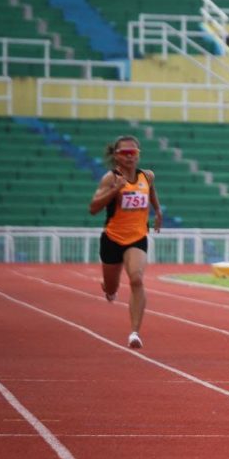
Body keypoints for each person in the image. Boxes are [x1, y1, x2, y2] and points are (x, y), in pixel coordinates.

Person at [88, 135, 162, 349]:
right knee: (111, 286)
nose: (130, 157)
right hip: (112, 238)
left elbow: (151, 192)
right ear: (116, 156)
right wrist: (115, 189)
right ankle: (109, 289)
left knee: (137, 279)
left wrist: (157, 211)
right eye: (125, 153)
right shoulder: (110, 179)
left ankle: (134, 333)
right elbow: (93, 208)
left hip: (137, 237)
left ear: (138, 155)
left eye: (134, 153)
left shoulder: (147, 176)